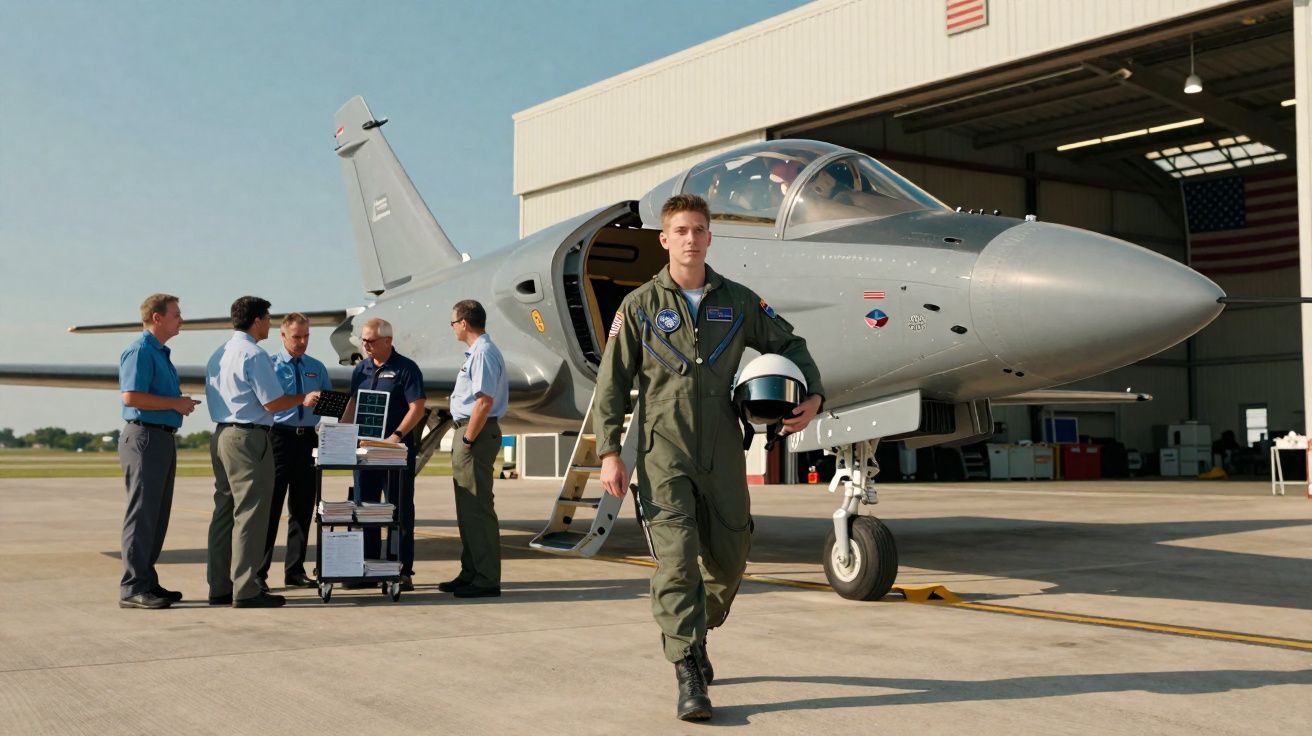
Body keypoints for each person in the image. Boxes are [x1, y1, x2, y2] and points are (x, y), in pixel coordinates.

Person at [594, 193, 825, 721]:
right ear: (664, 239)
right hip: (663, 452)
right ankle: (688, 673)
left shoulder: (739, 301)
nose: (691, 239)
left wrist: (812, 395)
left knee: (730, 556)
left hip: (724, 450)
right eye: (681, 231)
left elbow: (791, 344)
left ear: (709, 238)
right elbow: (611, 385)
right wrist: (610, 452)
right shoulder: (639, 307)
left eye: (699, 230)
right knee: (676, 564)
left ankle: (695, 629)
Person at [205, 297, 321, 608]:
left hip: (222, 436)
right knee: (251, 516)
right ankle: (246, 589)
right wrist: (301, 399)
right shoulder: (254, 354)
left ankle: (220, 586)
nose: (269, 323)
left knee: (224, 514)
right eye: (267, 318)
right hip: (249, 439)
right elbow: (273, 403)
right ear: (257, 320)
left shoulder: (221, 352)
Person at [117, 293, 201, 609]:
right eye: (176, 314)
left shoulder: (160, 353)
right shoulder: (139, 351)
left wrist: (176, 406)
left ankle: (147, 581)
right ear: (157, 318)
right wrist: (175, 403)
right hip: (144, 438)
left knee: (157, 515)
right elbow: (131, 397)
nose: (181, 319)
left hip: (161, 438)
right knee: (141, 515)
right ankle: (132, 587)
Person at [344, 318, 426, 590]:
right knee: (364, 509)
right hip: (365, 452)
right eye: (363, 340)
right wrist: (338, 432)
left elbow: (417, 407)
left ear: (388, 341)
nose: (365, 345)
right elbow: (353, 404)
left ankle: (400, 570)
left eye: (370, 341)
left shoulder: (406, 369)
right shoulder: (361, 369)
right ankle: (366, 568)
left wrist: (397, 436)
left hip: (395, 453)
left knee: (398, 511)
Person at [257, 313, 334, 590]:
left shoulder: (317, 367)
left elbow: (330, 405)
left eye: (306, 337)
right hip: (278, 439)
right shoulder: (269, 365)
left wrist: (328, 405)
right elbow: (265, 403)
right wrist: (300, 400)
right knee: (271, 508)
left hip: (308, 442)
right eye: (296, 337)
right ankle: (258, 574)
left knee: (302, 509)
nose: (302, 342)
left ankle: (295, 571)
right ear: (283, 336)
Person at [439, 300, 509, 599]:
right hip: (471, 431)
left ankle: (486, 578)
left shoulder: (482, 353)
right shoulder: (479, 352)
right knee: (468, 508)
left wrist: (467, 439)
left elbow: (484, 401)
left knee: (478, 508)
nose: (453, 327)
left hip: (475, 433)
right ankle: (471, 572)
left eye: (453, 322)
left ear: (464, 323)